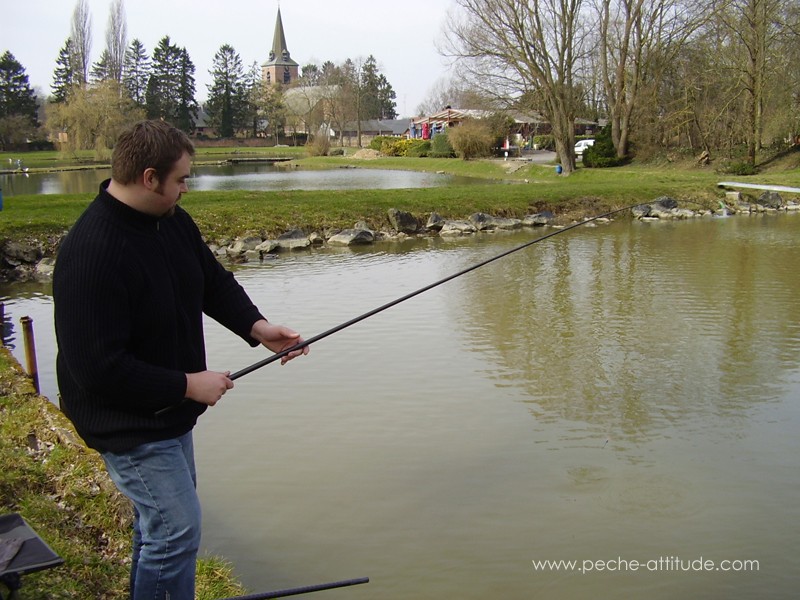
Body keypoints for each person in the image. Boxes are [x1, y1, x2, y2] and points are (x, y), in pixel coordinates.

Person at [53, 119, 309, 600]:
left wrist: (258, 328)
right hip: (126, 423)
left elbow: (210, 281)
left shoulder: (168, 221)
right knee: (176, 533)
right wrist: (188, 385)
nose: (186, 189)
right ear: (150, 178)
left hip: (168, 414)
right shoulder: (91, 252)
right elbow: (98, 370)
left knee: (159, 530)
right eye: (182, 180)